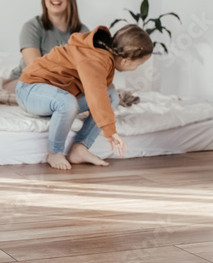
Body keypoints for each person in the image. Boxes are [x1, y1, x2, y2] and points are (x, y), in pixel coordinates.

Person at [15, 24, 153, 170]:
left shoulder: (103, 55)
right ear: (126, 61)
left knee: (111, 95)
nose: (136, 68)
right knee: (68, 102)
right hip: (30, 90)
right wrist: (110, 130)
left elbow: (101, 92)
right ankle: (55, 152)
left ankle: (80, 148)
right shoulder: (94, 59)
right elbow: (96, 94)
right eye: (139, 64)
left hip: (55, 96)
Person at [3, 0, 89, 91]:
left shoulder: (83, 32)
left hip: (65, 84)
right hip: (27, 81)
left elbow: (86, 68)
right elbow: (36, 69)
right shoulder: (32, 27)